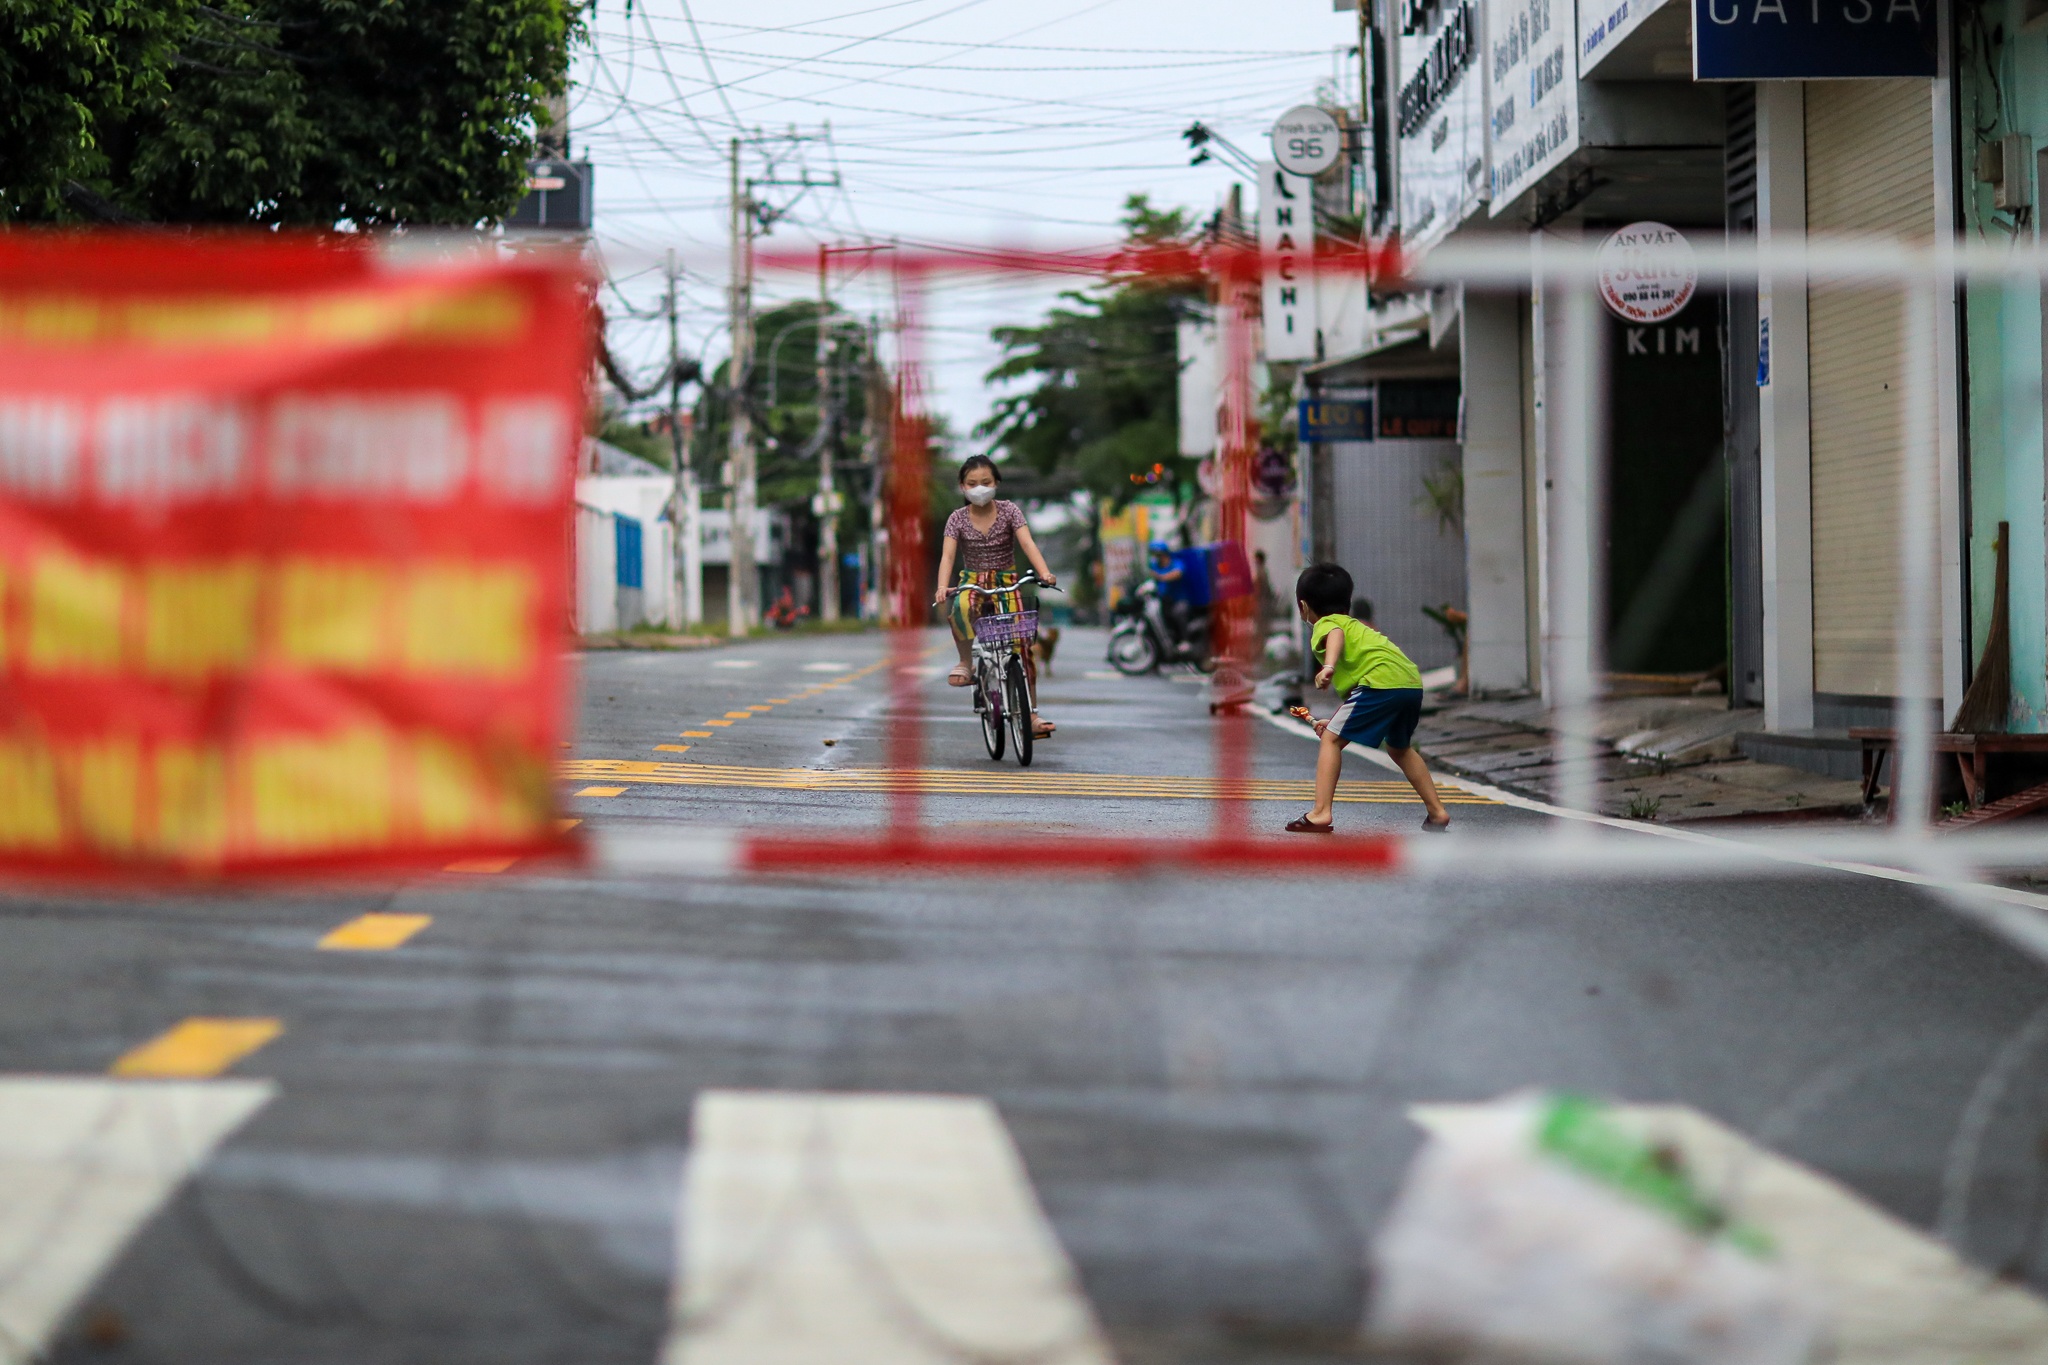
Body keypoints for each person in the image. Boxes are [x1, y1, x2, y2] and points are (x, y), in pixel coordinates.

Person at [1287, 562, 1451, 834]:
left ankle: (1320, 813)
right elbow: (1358, 694)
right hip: (1409, 682)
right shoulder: (1357, 627)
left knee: (1331, 740)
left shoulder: (1327, 625)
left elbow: (1334, 636)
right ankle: (1437, 812)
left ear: (1303, 607)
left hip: (1380, 684)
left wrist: (1327, 666)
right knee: (1399, 748)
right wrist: (1338, 720)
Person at [932, 455, 1059, 739]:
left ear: (997, 483)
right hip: (972, 581)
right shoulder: (956, 519)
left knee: (1023, 647)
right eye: (972, 483)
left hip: (1006, 581)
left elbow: (1027, 543)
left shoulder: (1011, 511)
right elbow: (948, 556)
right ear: (962, 487)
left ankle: (1032, 714)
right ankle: (965, 662)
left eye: (986, 482)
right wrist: (943, 586)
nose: (980, 488)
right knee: (961, 608)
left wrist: (1045, 573)